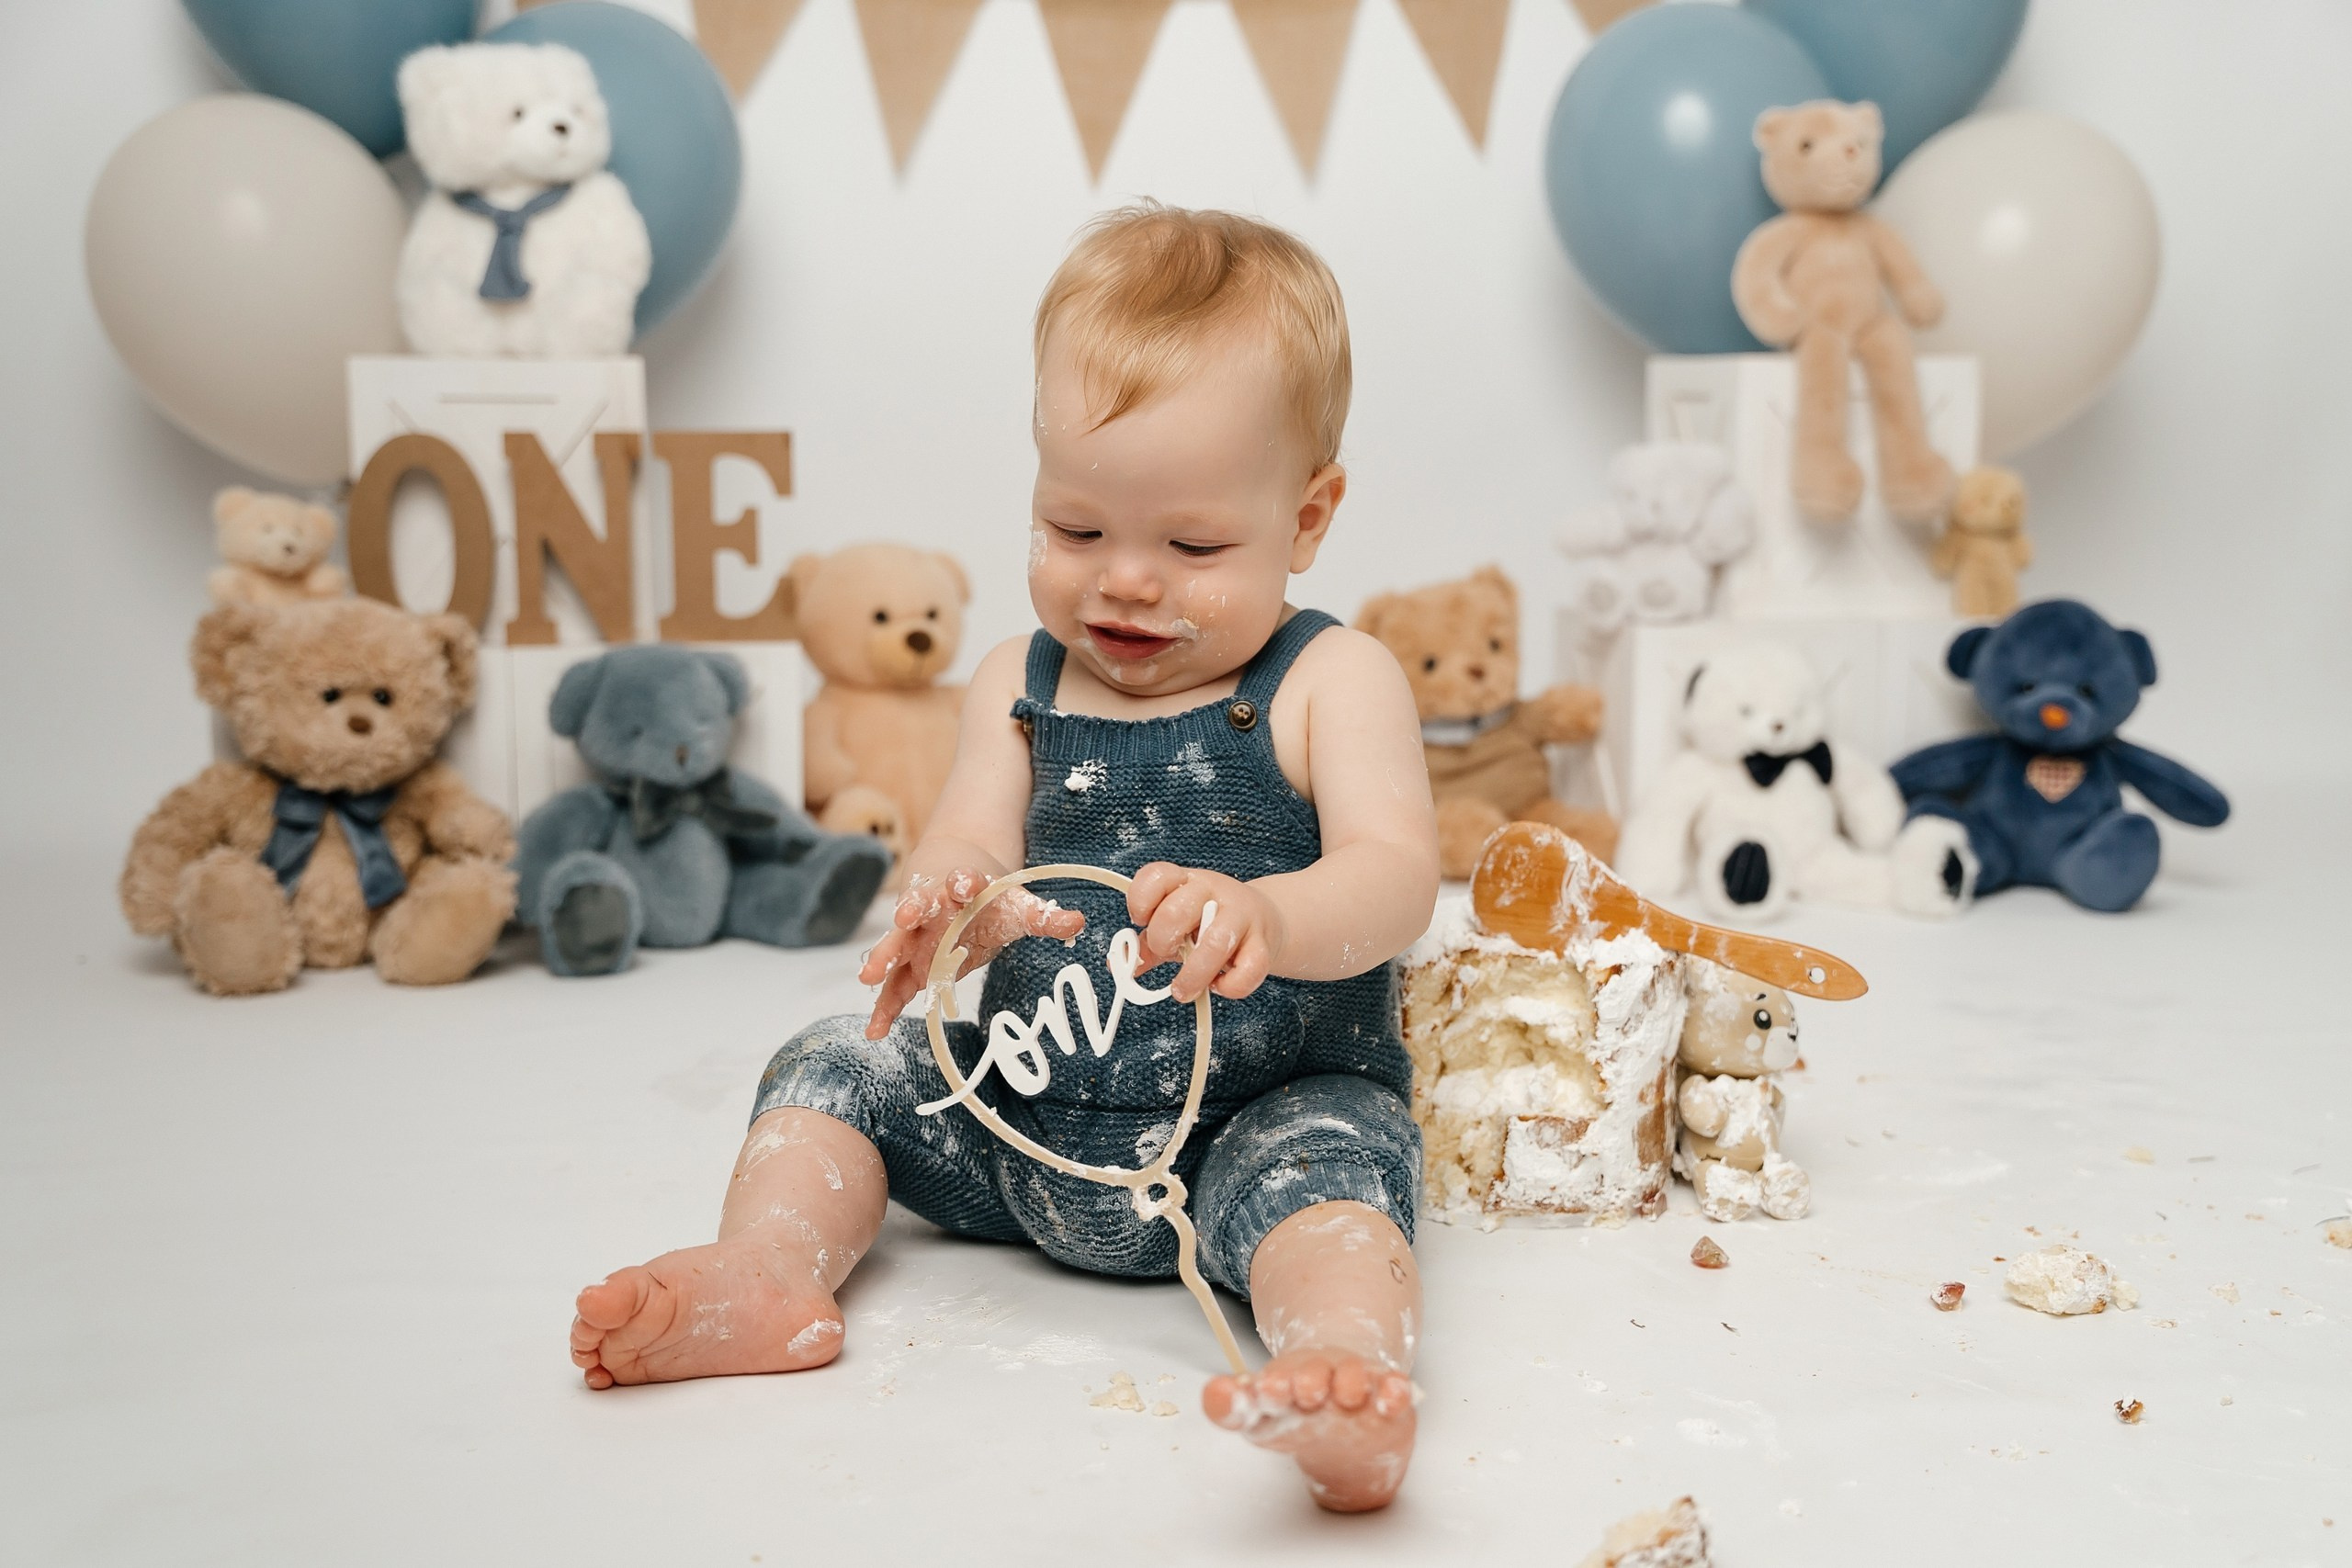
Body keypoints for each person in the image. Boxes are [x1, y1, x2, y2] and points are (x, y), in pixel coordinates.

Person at [570, 203, 1441, 1513]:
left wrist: (1271, 914)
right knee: (837, 1065)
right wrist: (952, 903)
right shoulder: (1017, 686)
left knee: (1338, 1183)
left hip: (1250, 1129)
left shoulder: (1332, 681)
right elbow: (968, 837)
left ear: (1307, 517)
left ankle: (1341, 1369)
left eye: (1193, 547)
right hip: (1019, 1116)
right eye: (1076, 531)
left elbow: (1396, 877)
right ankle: (768, 1267)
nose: (1126, 584)